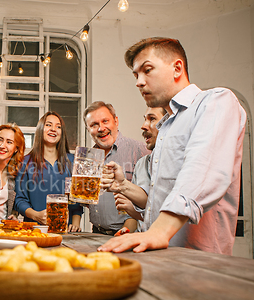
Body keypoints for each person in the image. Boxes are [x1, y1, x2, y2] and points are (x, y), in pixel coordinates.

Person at [100, 37, 246, 255]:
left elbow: (201, 172)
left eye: (147, 70)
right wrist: (126, 189)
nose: (139, 82)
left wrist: (158, 232)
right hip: (160, 256)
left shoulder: (215, 101)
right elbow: (158, 199)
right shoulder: (166, 126)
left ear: (177, 68)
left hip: (200, 261)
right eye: (136, 75)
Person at [83, 102, 149, 235]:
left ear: (116, 121)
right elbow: (86, 200)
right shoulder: (88, 158)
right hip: (96, 233)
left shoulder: (141, 150)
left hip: (129, 233)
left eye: (105, 121)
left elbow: (154, 199)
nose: (101, 128)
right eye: (94, 125)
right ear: (88, 129)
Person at [15, 112, 83, 231]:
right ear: (40, 129)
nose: (53, 129)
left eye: (58, 126)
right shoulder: (25, 162)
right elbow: (20, 200)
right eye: (48, 125)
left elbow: (77, 202)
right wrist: (36, 215)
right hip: (34, 231)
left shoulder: (73, 162)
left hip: (66, 232)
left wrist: (76, 224)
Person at [112, 107, 167, 236]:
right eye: (145, 119)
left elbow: (171, 216)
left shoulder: (183, 163)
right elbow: (138, 218)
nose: (143, 126)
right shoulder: (141, 164)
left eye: (152, 119)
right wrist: (127, 232)